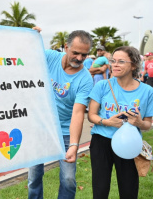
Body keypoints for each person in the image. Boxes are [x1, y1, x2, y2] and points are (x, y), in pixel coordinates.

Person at [28, 28, 93, 199]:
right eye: (76, 53)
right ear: (66, 47)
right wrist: (30, 36)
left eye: (84, 55)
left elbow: (78, 113)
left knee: (68, 178)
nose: (79, 58)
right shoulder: (50, 57)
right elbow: (26, 53)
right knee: (34, 176)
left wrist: (73, 145)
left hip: (65, 132)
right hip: (41, 127)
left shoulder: (85, 79)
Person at [88, 46, 153, 199]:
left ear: (134, 65)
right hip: (101, 141)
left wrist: (138, 122)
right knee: (100, 189)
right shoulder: (102, 86)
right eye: (113, 61)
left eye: (121, 61)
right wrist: (106, 122)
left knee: (129, 189)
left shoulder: (147, 91)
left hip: (129, 144)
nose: (115, 65)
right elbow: (91, 115)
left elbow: (148, 124)